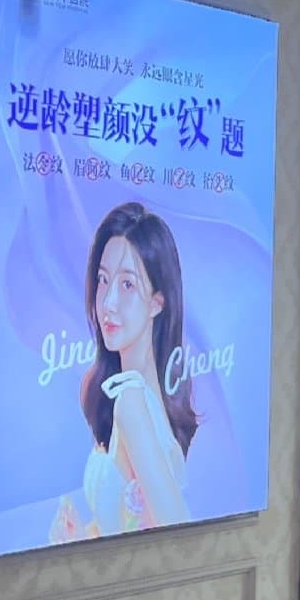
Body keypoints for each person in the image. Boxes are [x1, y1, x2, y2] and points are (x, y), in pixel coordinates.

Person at [51, 202, 196, 540]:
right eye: (103, 280)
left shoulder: (132, 401)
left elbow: (177, 532)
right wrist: (85, 536)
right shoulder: (141, 393)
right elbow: (132, 523)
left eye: (128, 285)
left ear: (157, 302)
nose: (108, 303)